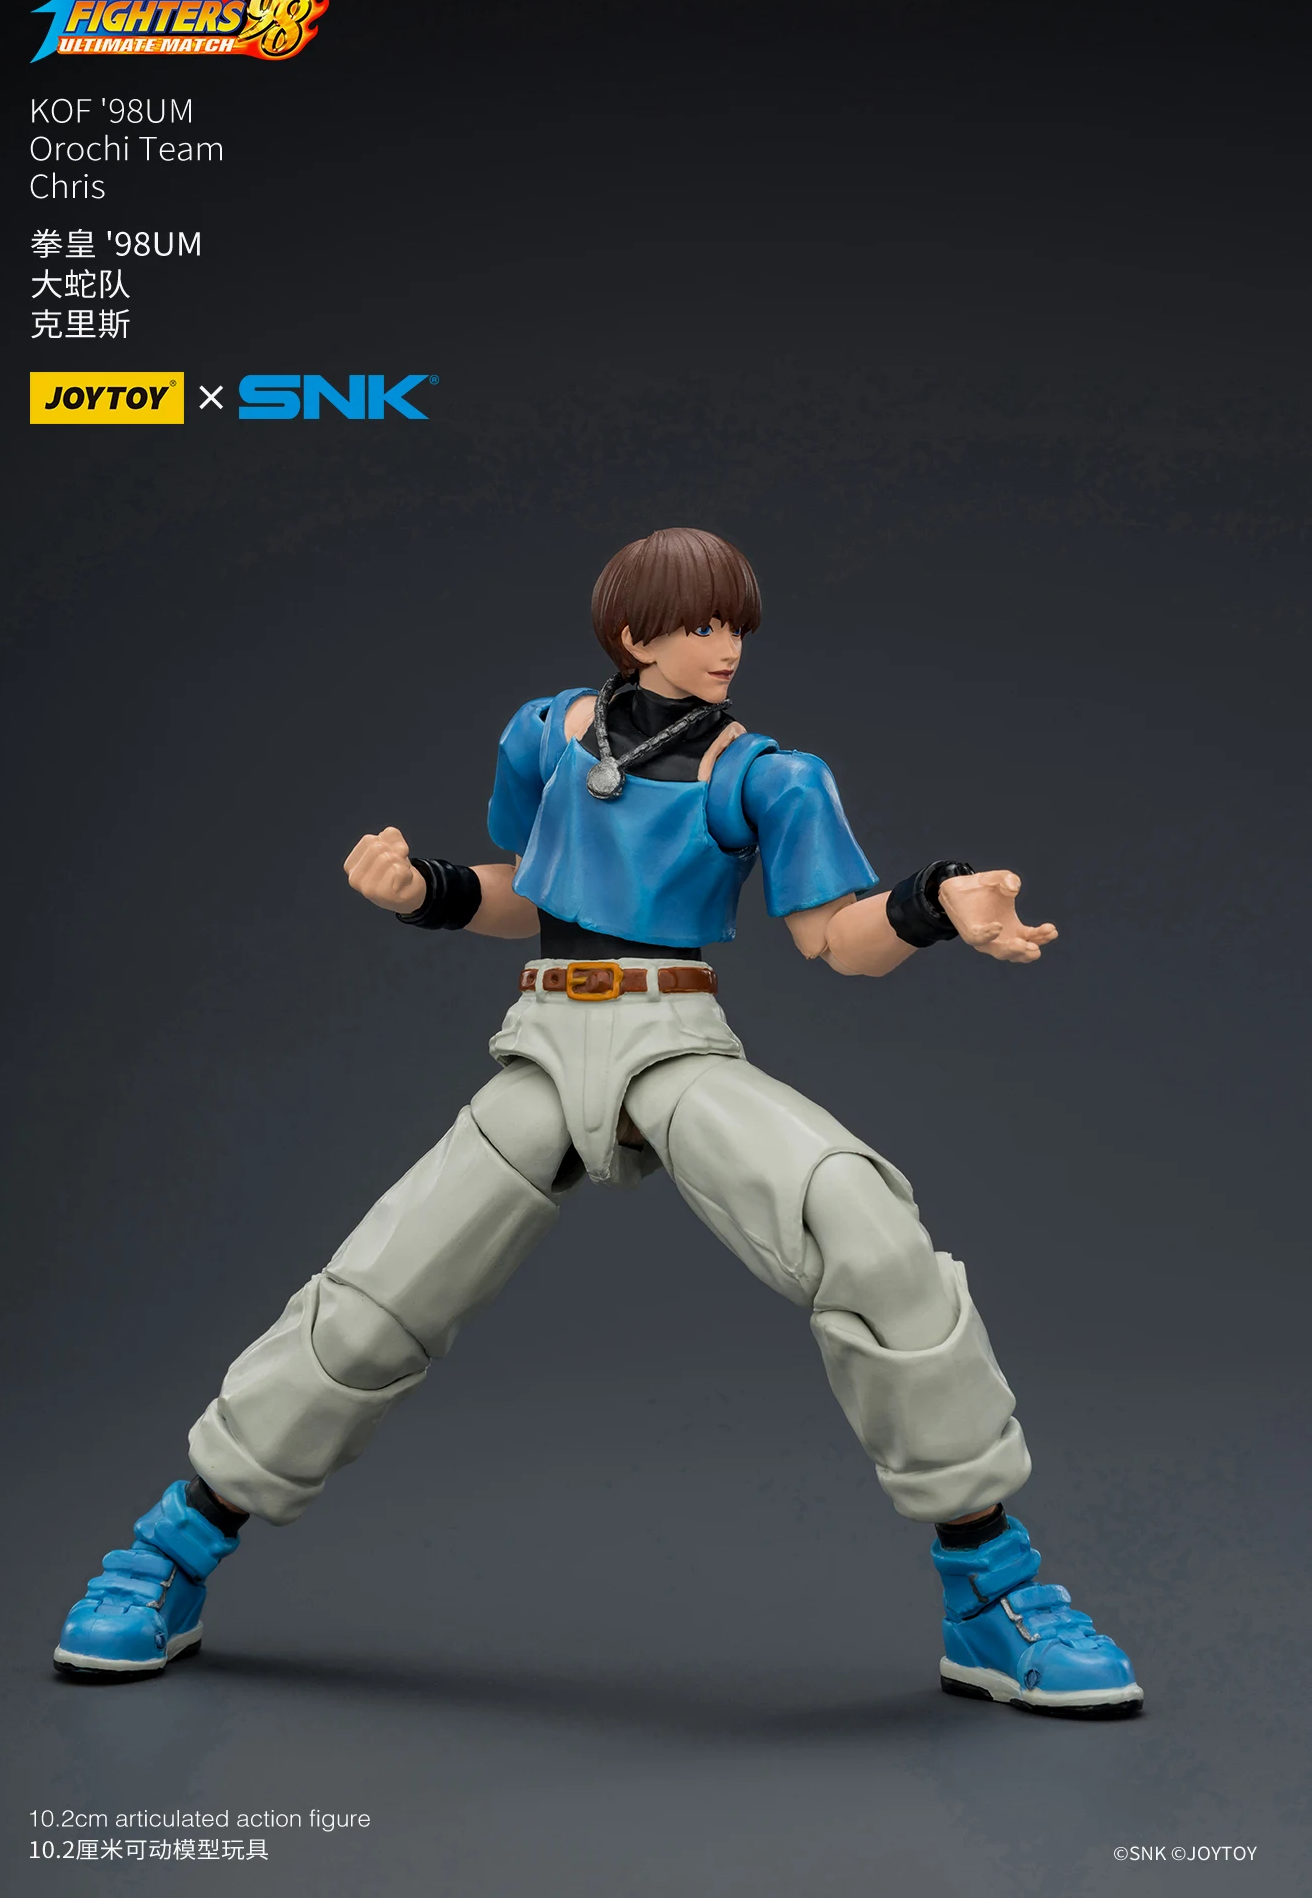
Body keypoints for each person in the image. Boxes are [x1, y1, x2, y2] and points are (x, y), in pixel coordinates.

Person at [55, 527, 1142, 1717]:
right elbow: (523, 889)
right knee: (375, 1291)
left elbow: (835, 939)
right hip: (540, 1043)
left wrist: (934, 901)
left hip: (670, 1040)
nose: (725, 646)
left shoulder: (766, 774)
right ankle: (172, 1548)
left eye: (734, 625)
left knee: (859, 1218)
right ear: (633, 633)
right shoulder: (543, 733)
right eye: (699, 624)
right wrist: (425, 891)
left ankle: (991, 1589)